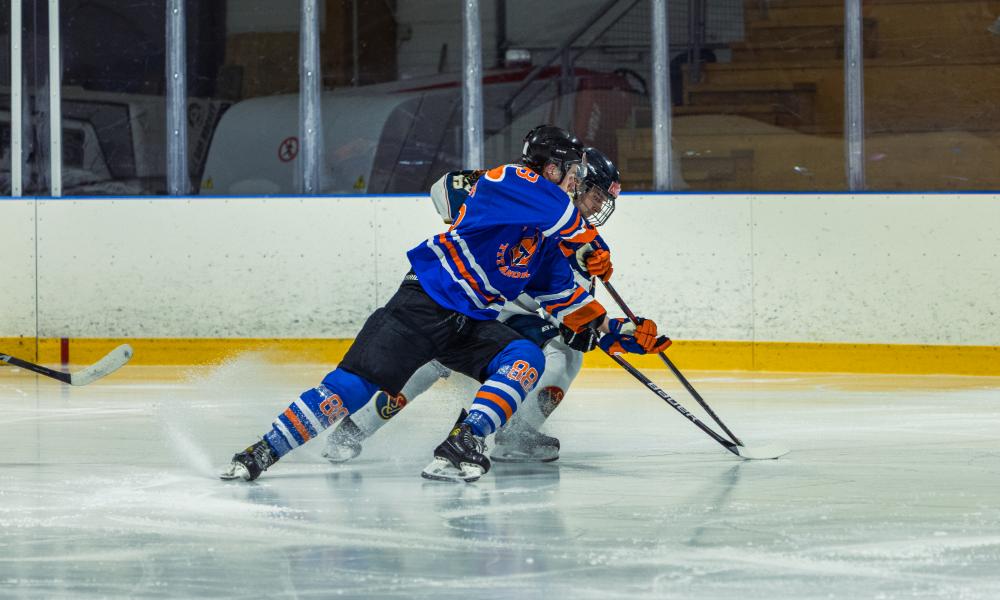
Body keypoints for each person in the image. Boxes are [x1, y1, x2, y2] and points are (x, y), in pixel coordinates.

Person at [220, 125, 670, 483]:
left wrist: (619, 334)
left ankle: (465, 440)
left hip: (472, 319)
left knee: (525, 357)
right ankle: (264, 449)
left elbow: (568, 304)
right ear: (552, 168)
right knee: (353, 387)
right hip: (423, 304)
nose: (577, 182)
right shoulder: (514, 182)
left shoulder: (555, 242)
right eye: (573, 172)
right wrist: (585, 244)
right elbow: (543, 209)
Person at [323, 147, 628, 464]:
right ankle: (353, 428)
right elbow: (443, 190)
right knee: (429, 356)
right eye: (597, 195)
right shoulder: (521, 194)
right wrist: (475, 220)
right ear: (576, 181)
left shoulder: (581, 244)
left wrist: (602, 330)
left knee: (567, 352)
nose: (599, 206)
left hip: (510, 317)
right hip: (466, 302)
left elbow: (569, 304)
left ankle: (515, 433)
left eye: (605, 201)